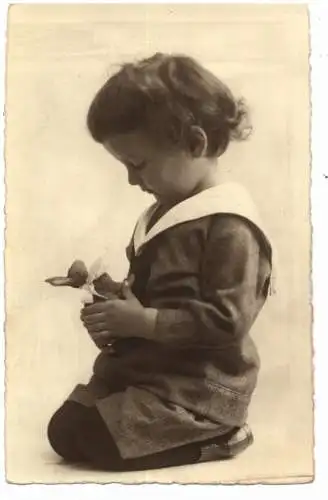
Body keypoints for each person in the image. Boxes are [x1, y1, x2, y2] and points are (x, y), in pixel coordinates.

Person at [47, 53, 273, 472]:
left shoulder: (231, 225)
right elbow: (154, 293)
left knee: (98, 440)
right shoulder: (164, 212)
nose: (133, 180)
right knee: (64, 430)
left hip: (196, 387)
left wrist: (143, 323)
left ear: (194, 143)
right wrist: (112, 301)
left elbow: (228, 320)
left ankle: (223, 433)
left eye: (138, 164)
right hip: (153, 372)